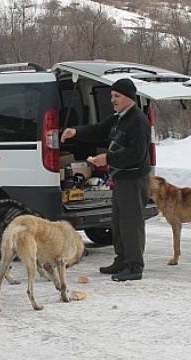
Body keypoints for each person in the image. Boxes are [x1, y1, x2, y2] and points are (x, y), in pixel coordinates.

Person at [60, 78, 151, 281]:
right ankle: (121, 260)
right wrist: (76, 131)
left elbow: (136, 153)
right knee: (118, 221)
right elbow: (99, 129)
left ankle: (134, 266)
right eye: (112, 96)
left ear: (129, 97)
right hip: (120, 177)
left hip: (134, 179)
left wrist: (107, 158)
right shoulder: (120, 117)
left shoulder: (138, 120)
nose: (112, 100)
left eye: (116, 96)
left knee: (131, 224)